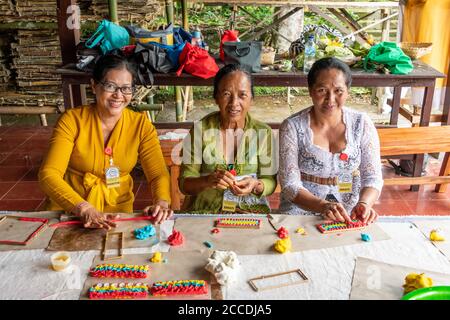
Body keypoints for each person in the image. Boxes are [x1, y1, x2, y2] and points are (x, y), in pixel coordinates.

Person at [39, 51, 173, 229]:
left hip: (117, 212)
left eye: (126, 88)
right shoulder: (72, 121)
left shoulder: (141, 125)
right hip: (70, 209)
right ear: (94, 86)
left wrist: (162, 203)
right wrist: (83, 207)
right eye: (110, 86)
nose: (118, 95)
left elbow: (157, 174)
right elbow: (49, 174)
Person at [279, 57, 383, 224]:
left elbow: (373, 177)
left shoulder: (361, 123)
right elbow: (289, 185)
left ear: (348, 91)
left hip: (350, 210)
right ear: (310, 91)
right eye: (322, 90)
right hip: (300, 210)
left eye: (338, 91)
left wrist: (364, 203)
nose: (330, 99)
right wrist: (323, 206)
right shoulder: (292, 127)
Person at [178, 64, 277, 212]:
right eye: (226, 94)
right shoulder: (201, 130)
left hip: (249, 211)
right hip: (206, 210)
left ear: (251, 98)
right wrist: (207, 181)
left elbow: (270, 181)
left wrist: (256, 185)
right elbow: (184, 184)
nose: (234, 103)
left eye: (242, 95)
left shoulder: (263, 133)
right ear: (216, 98)